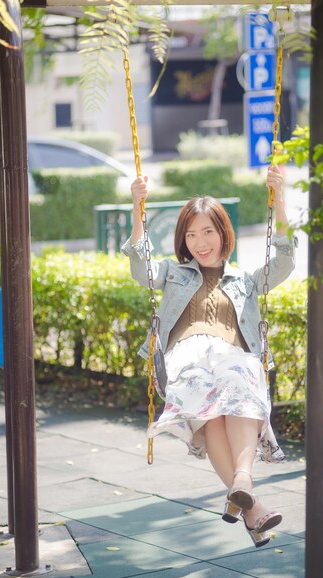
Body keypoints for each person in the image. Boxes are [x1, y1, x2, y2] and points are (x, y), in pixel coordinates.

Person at [122, 166, 296, 548]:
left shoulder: (245, 282)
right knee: (219, 389)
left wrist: (279, 199)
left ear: (224, 234)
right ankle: (245, 487)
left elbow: (284, 260)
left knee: (235, 394)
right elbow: (139, 266)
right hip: (189, 361)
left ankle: (247, 498)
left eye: (208, 232)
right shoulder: (171, 274)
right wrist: (138, 209)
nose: (201, 242)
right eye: (191, 233)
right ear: (183, 239)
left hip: (232, 360)